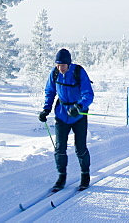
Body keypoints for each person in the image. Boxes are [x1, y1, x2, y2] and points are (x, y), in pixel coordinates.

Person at [39, 48, 94, 192]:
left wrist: (79, 106)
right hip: (62, 114)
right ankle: (61, 177)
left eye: (62, 65)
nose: (60, 68)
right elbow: (50, 92)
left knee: (80, 147)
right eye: (57, 65)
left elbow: (88, 94)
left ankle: (85, 176)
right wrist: (46, 109)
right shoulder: (55, 73)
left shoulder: (78, 72)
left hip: (79, 115)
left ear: (68, 64)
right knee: (59, 148)